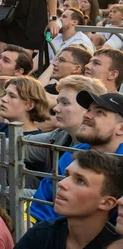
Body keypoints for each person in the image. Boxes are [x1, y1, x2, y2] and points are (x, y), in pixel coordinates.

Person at [29, 89, 123, 224]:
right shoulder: (76, 152)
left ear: (121, 129)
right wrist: (51, 234)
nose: (87, 115)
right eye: (89, 110)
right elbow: (44, 198)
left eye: (100, 112)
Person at [8, 150, 123, 249]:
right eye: (67, 175)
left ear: (107, 203)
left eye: (80, 181)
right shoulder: (42, 234)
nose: (62, 183)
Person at [0, 76, 49, 149]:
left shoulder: (39, 142)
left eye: (12, 96)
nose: (3, 99)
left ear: (30, 105)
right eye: (5, 94)